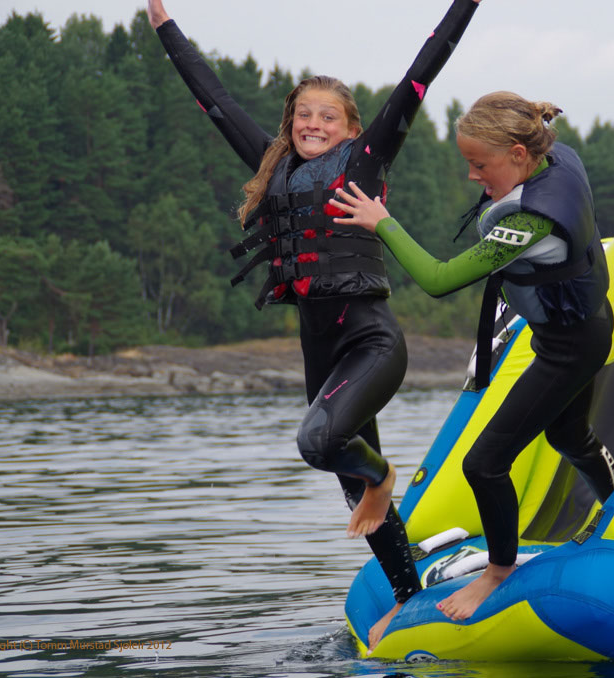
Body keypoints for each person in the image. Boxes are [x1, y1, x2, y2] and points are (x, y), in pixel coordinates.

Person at [146, 0, 482, 649]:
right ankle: (407, 599)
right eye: (303, 114)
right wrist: (166, 29)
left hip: (370, 339)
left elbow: (423, 70)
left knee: (320, 442)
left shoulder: (365, 158)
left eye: (328, 116)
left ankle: (384, 478)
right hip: (320, 348)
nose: (313, 124)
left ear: (352, 127)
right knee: (347, 483)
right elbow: (214, 99)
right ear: (289, 123)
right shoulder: (272, 166)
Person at [331, 91, 614, 622]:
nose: (472, 176)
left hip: (570, 348)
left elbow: (439, 279)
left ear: (518, 153)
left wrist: (382, 222)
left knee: (484, 464)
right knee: (567, 435)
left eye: (479, 164)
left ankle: (498, 571)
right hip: (581, 328)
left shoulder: (530, 221)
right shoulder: (556, 157)